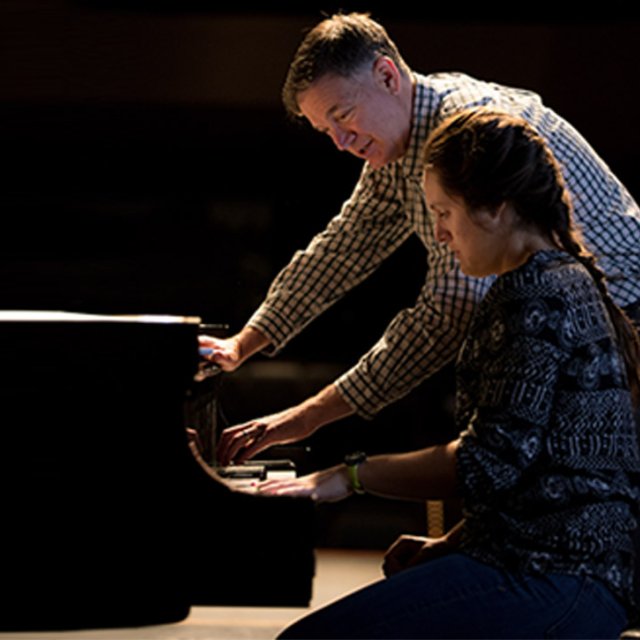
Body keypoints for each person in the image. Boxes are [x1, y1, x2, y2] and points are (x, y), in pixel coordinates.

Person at [255, 108, 640, 639]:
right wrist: (453, 543)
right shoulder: (564, 280)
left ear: (496, 210)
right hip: (577, 572)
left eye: (444, 213)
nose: (437, 234)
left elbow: (488, 462)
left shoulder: (534, 294)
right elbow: (537, 473)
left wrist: (347, 477)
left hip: (559, 577)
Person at [200, 12, 640, 465]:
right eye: (326, 131)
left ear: (387, 75)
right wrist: (244, 342)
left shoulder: (464, 132)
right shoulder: (400, 141)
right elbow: (342, 248)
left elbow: (448, 312)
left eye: (343, 116)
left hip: (625, 331)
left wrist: (304, 418)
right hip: (571, 336)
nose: (340, 142)